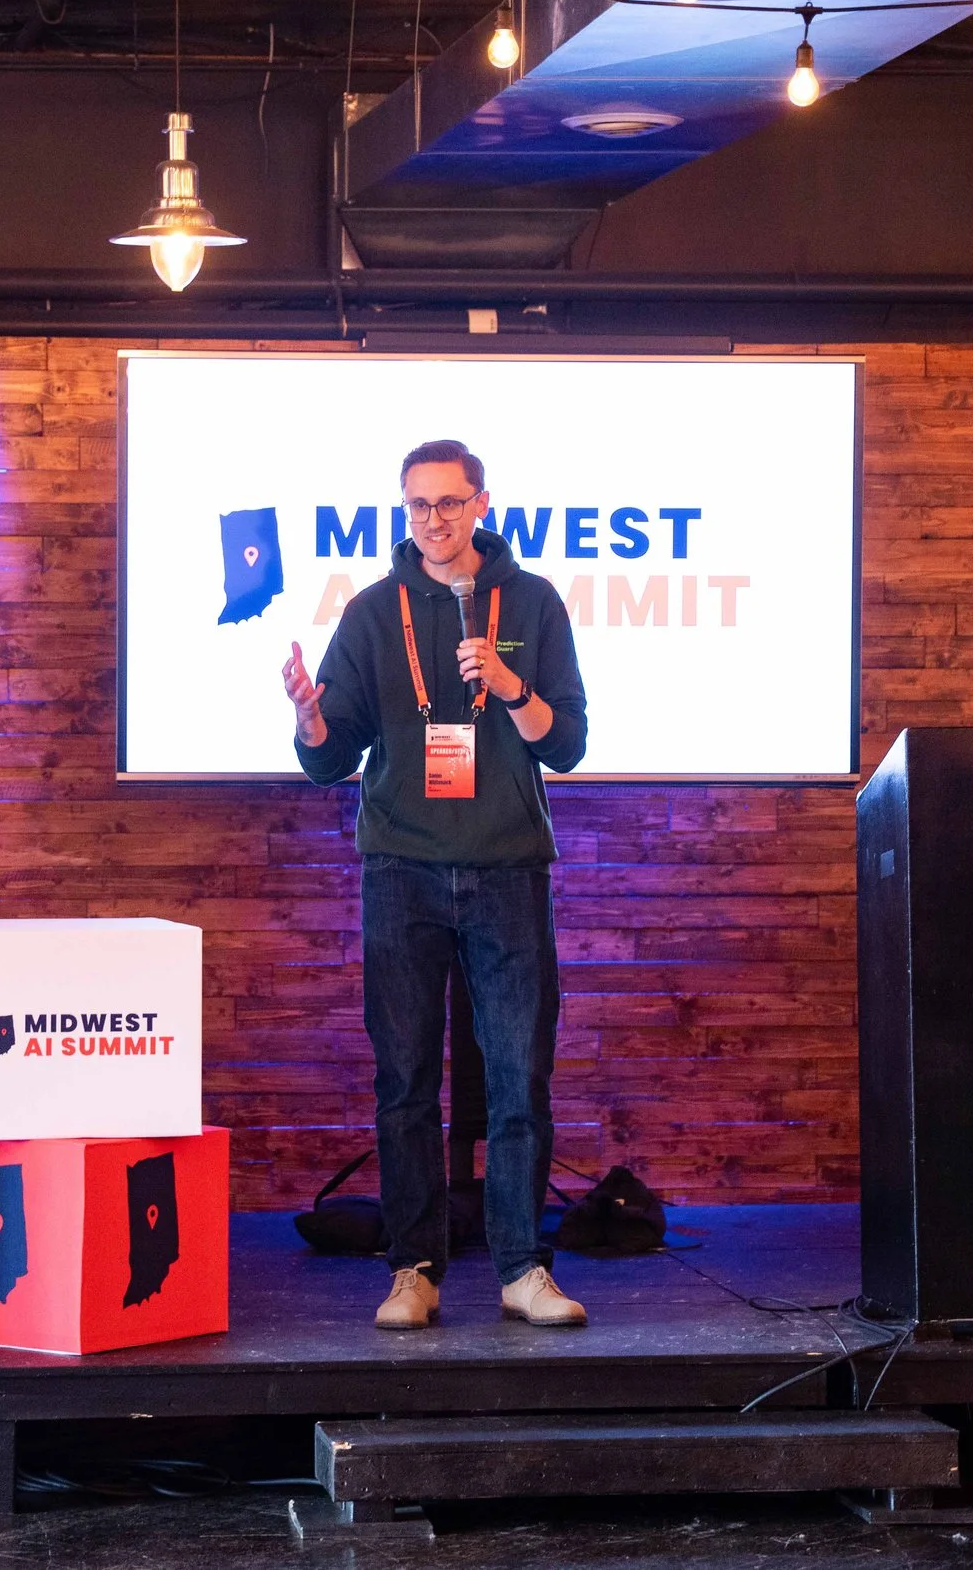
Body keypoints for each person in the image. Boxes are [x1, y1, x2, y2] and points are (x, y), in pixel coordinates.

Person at [282, 438, 590, 1331]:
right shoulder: (372, 613)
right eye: (418, 505)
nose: (433, 520)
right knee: (406, 1079)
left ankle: (521, 1268)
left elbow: (568, 743)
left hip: (507, 869)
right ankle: (413, 1269)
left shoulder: (533, 602)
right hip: (402, 870)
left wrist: (512, 685)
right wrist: (308, 718)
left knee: (519, 1077)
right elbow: (330, 758)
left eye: (450, 502)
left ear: (482, 504)